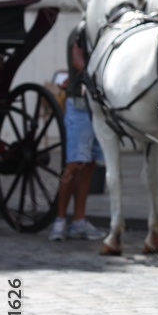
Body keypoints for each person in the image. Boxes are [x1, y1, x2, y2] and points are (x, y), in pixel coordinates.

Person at [49, 23, 106, 241]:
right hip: (80, 104)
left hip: (96, 106)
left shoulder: (102, 28)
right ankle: (60, 219)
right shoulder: (81, 30)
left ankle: (78, 221)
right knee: (74, 164)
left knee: (89, 164)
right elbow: (77, 60)